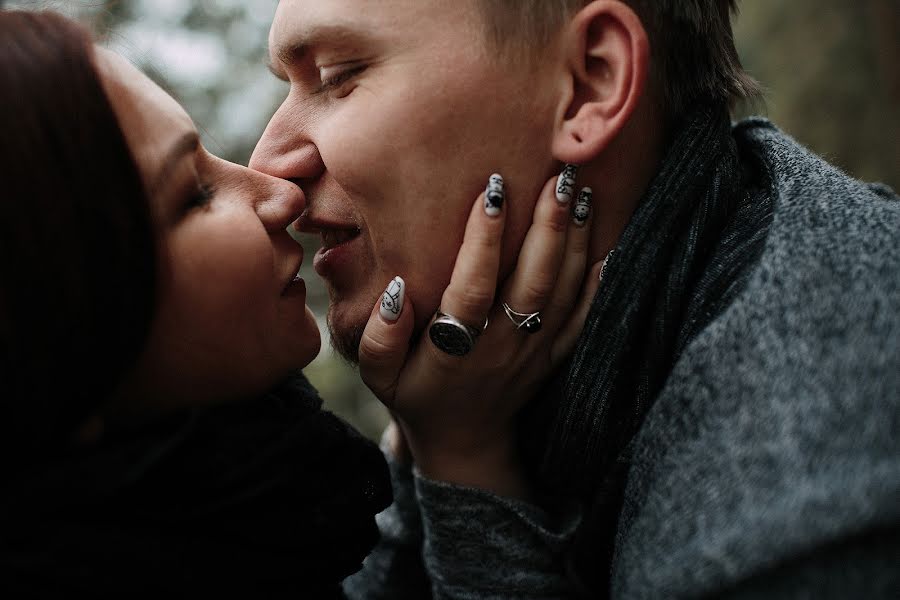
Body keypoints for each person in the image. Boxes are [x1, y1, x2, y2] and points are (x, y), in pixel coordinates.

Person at [251, 0, 900, 597]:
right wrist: (440, 445)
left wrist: (461, 476)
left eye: (337, 76)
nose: (268, 165)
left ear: (589, 83)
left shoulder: (798, 509)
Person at [0, 9, 601, 597]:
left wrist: (435, 433)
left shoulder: (268, 501)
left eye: (342, 76)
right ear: (57, 333)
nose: (276, 188)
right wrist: (467, 460)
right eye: (194, 194)